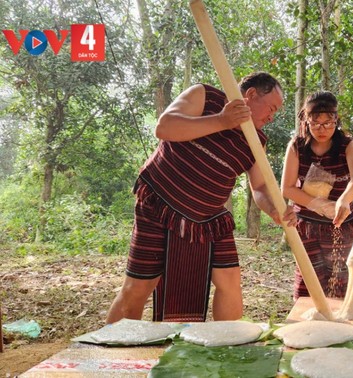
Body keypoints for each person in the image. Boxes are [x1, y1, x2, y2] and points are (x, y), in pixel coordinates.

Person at [106, 72, 297, 324]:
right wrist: (222, 120)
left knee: (230, 281)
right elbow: (164, 127)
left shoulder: (256, 140)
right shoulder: (204, 96)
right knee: (139, 285)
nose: (272, 117)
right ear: (250, 95)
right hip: (159, 204)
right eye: (271, 108)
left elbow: (259, 186)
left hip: (209, 219)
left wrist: (274, 209)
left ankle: (225, 347)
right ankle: (114, 355)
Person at [281, 91, 353, 300]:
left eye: (328, 123)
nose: (322, 129)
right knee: (308, 281)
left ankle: (339, 330)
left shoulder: (348, 145)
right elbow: (287, 188)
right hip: (306, 225)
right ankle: (307, 329)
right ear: (306, 120)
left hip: (341, 224)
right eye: (315, 123)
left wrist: (344, 200)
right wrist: (319, 205)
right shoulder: (297, 146)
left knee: (339, 280)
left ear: (336, 119)